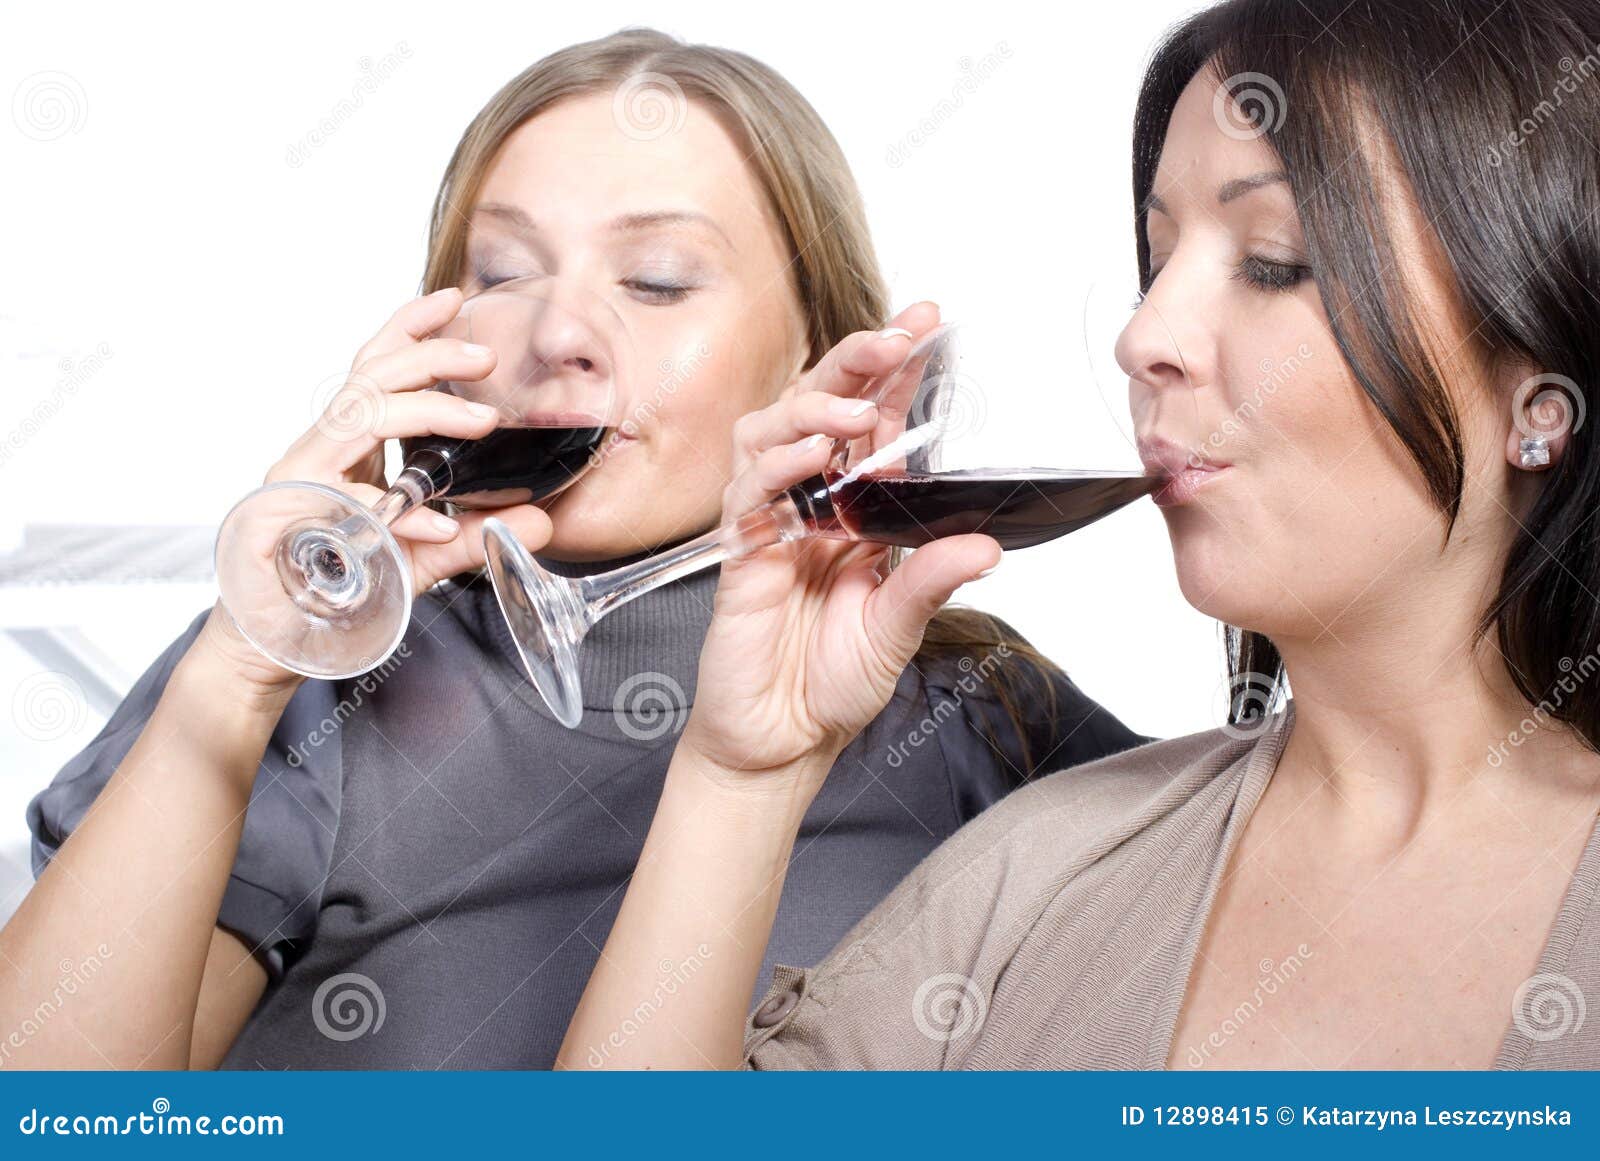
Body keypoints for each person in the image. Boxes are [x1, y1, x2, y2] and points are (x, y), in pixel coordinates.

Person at [1, 29, 1143, 1070]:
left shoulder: (974, 711)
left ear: (817, 348)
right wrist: (241, 669)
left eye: (655, 282)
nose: (556, 336)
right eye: (501, 275)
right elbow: (53, 1109)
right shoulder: (322, 683)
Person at [559, 0, 1600, 1069]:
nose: (1141, 335)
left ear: (1539, 390)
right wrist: (745, 774)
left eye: (1275, 261)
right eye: (1158, 259)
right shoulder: (1035, 878)